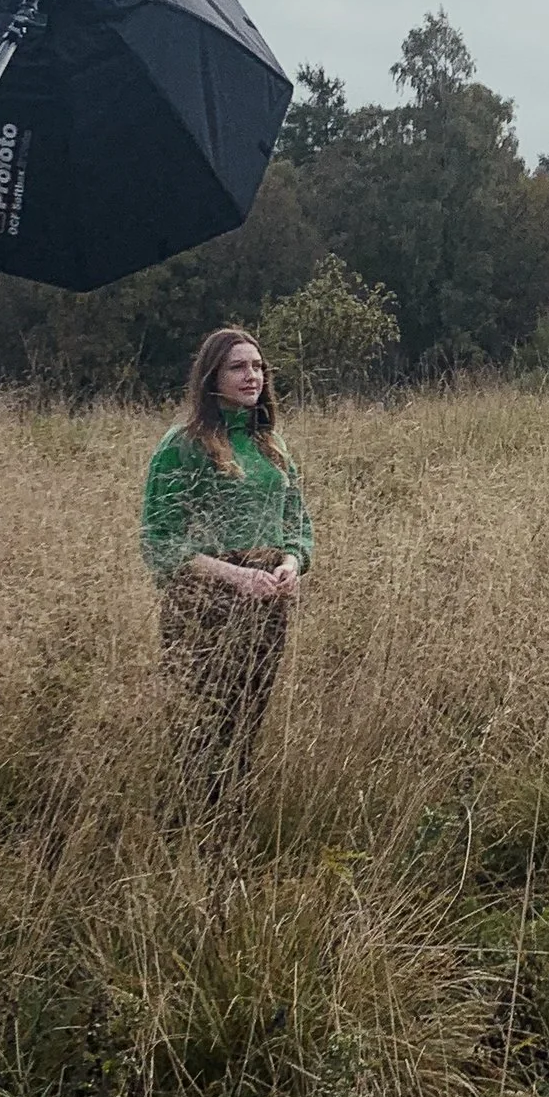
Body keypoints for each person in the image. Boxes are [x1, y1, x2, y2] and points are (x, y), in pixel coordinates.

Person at [141, 325, 313, 808]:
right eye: (238, 367)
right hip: (205, 604)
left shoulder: (271, 444)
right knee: (201, 725)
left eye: (258, 366)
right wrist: (234, 575)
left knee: (247, 720)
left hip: (268, 606)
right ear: (211, 377)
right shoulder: (183, 444)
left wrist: (292, 561)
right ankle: (189, 826)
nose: (251, 375)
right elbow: (160, 538)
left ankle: (231, 821)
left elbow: (297, 521)